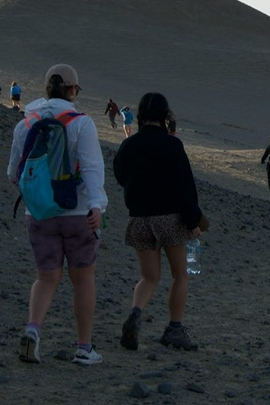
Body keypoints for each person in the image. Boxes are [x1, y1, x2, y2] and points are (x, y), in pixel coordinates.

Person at [6, 64, 107, 365]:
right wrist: (97, 205)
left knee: (46, 278)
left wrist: (37, 195)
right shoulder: (82, 123)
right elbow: (92, 168)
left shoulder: (26, 123)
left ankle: (33, 330)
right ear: (73, 90)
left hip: (39, 213)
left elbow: (15, 172)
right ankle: (84, 347)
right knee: (83, 278)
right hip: (78, 213)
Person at [113, 91, 209, 352]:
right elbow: (186, 187)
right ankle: (174, 329)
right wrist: (193, 222)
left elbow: (121, 177)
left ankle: (135, 312)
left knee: (149, 276)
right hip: (170, 220)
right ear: (165, 116)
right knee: (180, 275)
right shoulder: (172, 145)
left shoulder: (129, 145)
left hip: (140, 220)